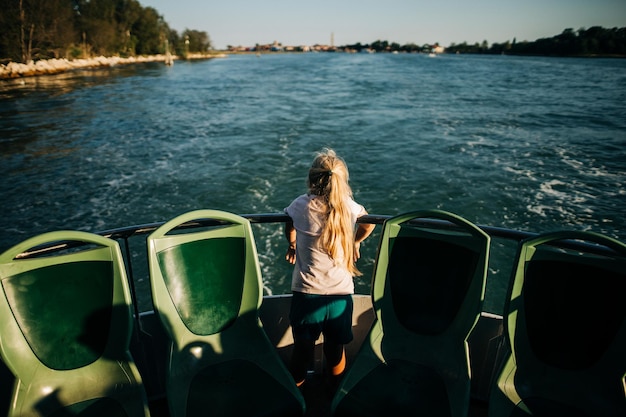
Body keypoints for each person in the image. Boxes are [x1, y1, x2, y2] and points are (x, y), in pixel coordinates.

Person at [284, 148, 375, 392]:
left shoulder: (301, 205)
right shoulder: (349, 207)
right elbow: (368, 223)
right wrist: (355, 241)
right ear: (342, 181)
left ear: (312, 179)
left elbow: (288, 224)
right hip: (340, 297)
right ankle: (334, 394)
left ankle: (298, 396)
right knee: (335, 351)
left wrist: (292, 243)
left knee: (302, 352)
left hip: (306, 294)